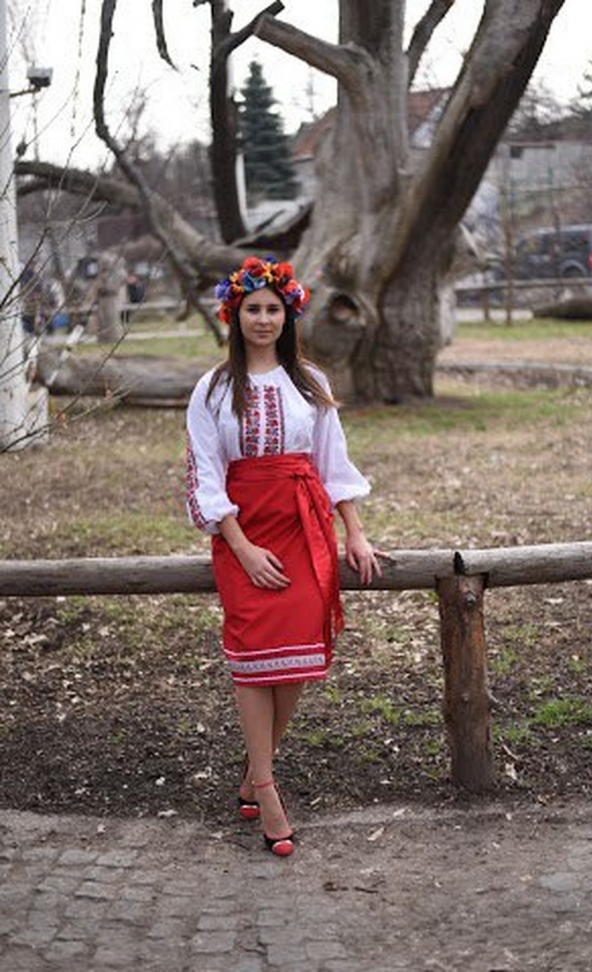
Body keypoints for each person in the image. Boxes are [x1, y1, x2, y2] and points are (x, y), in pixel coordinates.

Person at [185, 255, 382, 856]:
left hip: (303, 526)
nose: (264, 319)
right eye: (253, 309)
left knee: (297, 658)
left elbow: (332, 462)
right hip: (244, 529)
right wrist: (241, 547)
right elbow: (204, 471)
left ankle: (255, 769)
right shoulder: (213, 389)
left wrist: (354, 532)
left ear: (288, 315)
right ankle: (267, 789)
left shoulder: (310, 382)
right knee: (253, 656)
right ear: (235, 315)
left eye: (273, 309)